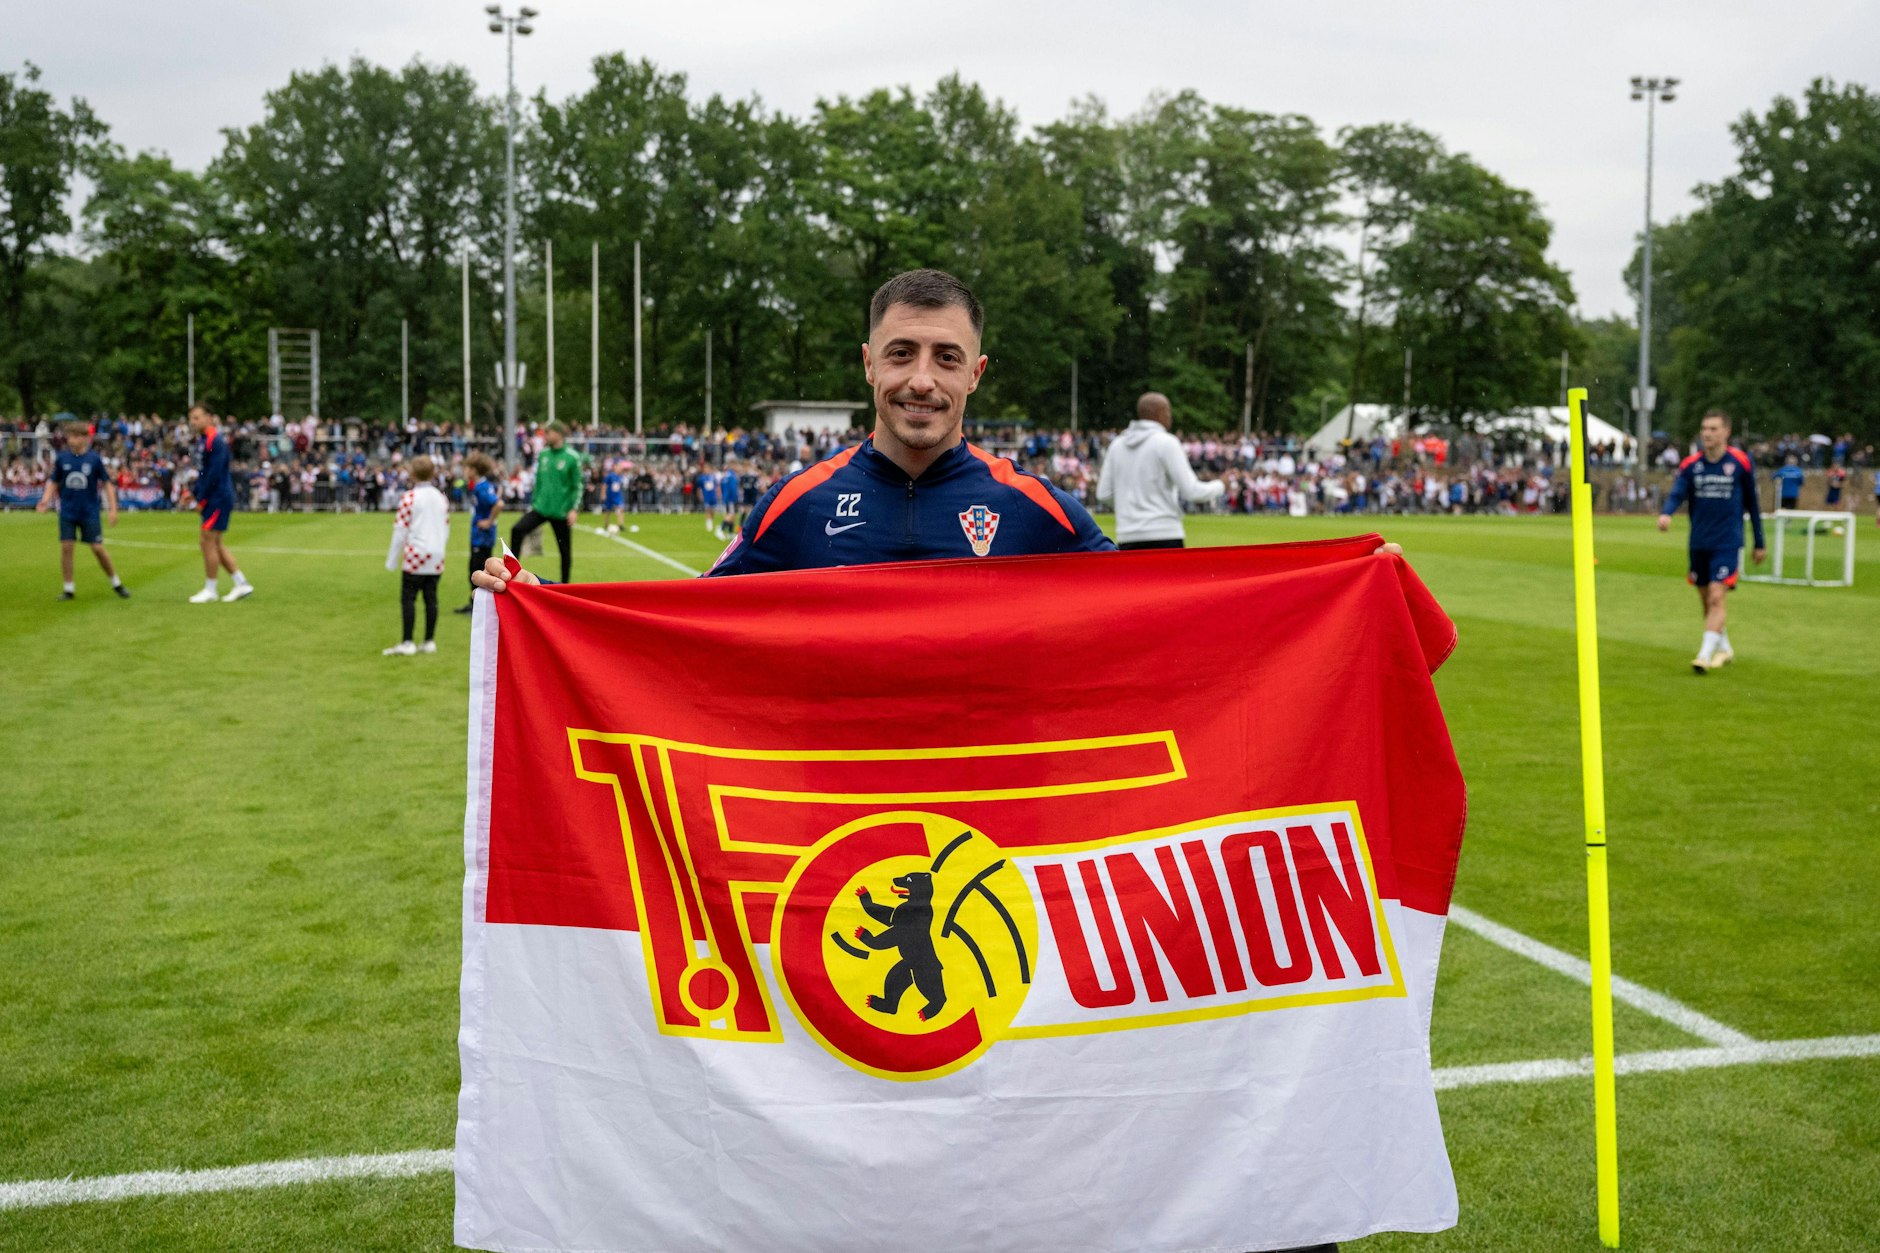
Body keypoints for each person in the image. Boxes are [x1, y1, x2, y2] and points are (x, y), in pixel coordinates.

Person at [1658, 410, 1765, 674]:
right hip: (1699, 542)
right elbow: (1677, 492)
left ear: (1726, 432)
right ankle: (1724, 648)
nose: (1707, 433)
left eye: (1714, 428)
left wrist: (1759, 541)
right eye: (1705, 428)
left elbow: (1753, 503)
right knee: (1706, 599)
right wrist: (1666, 513)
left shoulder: (1740, 462)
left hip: (1728, 542)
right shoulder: (1691, 465)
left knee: (1718, 596)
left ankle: (1704, 656)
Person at [1095, 392, 1227, 548]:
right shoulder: (1166, 442)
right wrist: (1221, 485)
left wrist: (1130, 505)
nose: (1170, 417)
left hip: (1128, 536)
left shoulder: (1117, 445)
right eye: (1168, 412)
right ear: (1159, 413)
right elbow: (1192, 491)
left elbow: (1103, 494)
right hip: (1165, 534)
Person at [36, 419, 128, 600]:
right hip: (68, 511)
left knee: (97, 548)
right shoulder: (63, 459)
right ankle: (68, 588)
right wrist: (44, 501)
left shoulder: (94, 459)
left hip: (89, 512)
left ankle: (116, 582)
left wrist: (113, 509)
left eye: (77, 436)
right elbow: (54, 481)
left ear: (86, 438)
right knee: (67, 547)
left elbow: (107, 485)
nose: (72, 440)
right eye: (70, 436)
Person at [178, 402, 254, 604]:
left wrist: (200, 498)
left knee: (207, 540)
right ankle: (241, 583)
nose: (193, 422)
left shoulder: (215, 441)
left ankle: (211, 589)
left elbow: (213, 474)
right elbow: (204, 472)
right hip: (214, 496)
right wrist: (193, 493)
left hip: (218, 497)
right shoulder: (204, 440)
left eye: (197, 417)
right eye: (191, 418)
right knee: (215, 543)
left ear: (209, 417)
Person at [383, 455, 450, 656]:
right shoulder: (441, 497)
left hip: (415, 555)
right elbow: (445, 526)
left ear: (412, 473)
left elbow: (400, 530)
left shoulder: (409, 497)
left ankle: (408, 641)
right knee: (431, 599)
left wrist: (392, 560)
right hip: (436, 554)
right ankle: (429, 640)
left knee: (408, 598)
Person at [509, 420, 584, 584]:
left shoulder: (572, 457)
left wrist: (573, 509)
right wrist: (534, 502)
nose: (545, 436)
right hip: (541, 508)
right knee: (517, 529)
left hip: (561, 512)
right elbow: (539, 482)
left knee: (565, 552)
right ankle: (512, 575)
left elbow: (577, 485)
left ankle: (565, 587)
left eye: (548, 433)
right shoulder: (543, 455)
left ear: (558, 433)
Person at [456, 451, 502, 614]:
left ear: (474, 470)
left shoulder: (483, 488)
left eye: (467, 468)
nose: (465, 471)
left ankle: (478, 605)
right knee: (474, 568)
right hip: (478, 536)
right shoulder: (479, 486)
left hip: (482, 537)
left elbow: (498, 504)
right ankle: (474, 603)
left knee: (477, 569)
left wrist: (489, 522)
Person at [695, 461, 721, 535]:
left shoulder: (713, 477)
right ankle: (709, 525)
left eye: (708, 468)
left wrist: (718, 493)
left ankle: (711, 521)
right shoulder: (702, 478)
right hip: (706, 496)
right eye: (705, 468)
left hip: (713, 496)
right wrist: (700, 495)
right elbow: (699, 488)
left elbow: (717, 486)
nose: (707, 470)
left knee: (712, 510)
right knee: (707, 510)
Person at [602, 459, 626, 534]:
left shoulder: (619, 476)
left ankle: (620, 524)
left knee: (621, 508)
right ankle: (606, 524)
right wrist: (603, 494)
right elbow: (604, 485)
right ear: (614, 467)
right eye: (619, 466)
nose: (620, 468)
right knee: (608, 510)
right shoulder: (610, 476)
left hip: (617, 496)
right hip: (610, 496)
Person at [717, 461, 741, 537]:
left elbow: (722, 487)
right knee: (731, 515)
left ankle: (730, 533)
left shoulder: (725, 476)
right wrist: (736, 498)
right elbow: (733, 489)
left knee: (730, 514)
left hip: (726, 498)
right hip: (731, 499)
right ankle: (721, 529)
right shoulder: (732, 476)